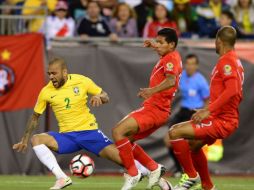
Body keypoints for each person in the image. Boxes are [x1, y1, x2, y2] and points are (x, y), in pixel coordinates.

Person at [12, 58, 171, 190]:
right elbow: (35, 117)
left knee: (125, 160)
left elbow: (105, 96)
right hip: (67, 137)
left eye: (54, 73)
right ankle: (62, 178)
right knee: (37, 140)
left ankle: (159, 178)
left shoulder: (81, 81)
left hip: (89, 133)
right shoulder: (46, 91)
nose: (51, 77)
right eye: (49, 74)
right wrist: (25, 140)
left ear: (64, 72)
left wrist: (100, 97)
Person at [168, 26, 244, 190]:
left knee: (174, 132)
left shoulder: (227, 61)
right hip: (219, 117)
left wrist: (208, 110)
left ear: (219, 41)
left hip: (223, 120)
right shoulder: (232, 60)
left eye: (215, 41)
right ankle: (208, 186)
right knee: (194, 146)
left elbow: (233, 90)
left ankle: (191, 175)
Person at [112, 27, 182, 190]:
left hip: (155, 109)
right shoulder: (170, 55)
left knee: (117, 132)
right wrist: (154, 45)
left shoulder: (170, 58)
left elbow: (171, 80)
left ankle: (133, 173)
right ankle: (154, 168)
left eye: (160, 42)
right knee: (127, 141)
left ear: (171, 44)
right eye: (156, 41)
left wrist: (151, 91)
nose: (157, 45)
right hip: (158, 110)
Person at [164, 54, 209, 177]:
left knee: (191, 144)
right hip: (183, 111)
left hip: (195, 112)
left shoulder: (200, 80)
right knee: (168, 140)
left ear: (197, 66)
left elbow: (207, 100)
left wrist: (204, 114)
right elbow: (172, 88)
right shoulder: (182, 76)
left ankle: (191, 172)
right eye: (188, 64)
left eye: (192, 64)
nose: (190, 66)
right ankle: (180, 170)